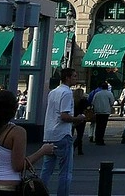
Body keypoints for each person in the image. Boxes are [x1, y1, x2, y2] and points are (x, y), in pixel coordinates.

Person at [0, 90, 55, 193]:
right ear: (13, 109)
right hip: (8, 186)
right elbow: (18, 166)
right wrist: (42, 151)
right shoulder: (16, 132)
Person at [41, 67, 86, 196]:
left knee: (46, 169)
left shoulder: (53, 92)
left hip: (49, 135)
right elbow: (64, 116)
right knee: (65, 172)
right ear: (68, 78)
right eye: (75, 76)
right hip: (62, 134)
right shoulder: (67, 93)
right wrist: (79, 118)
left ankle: (39, 192)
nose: (76, 79)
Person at [72, 88, 88, 156]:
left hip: (73, 117)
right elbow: (87, 107)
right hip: (81, 118)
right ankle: (78, 149)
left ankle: (74, 148)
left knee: (71, 134)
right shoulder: (84, 100)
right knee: (80, 135)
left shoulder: (73, 100)